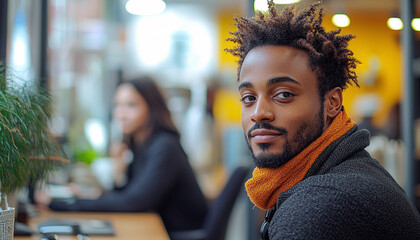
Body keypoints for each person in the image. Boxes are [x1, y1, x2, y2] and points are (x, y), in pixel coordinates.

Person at [226, 1, 420, 239]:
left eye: (284, 94)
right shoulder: (346, 170)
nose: (258, 112)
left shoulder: (318, 206)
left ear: (332, 102)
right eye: (248, 98)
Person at [36, 76, 208, 235]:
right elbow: (130, 194)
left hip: (178, 234)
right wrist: (118, 174)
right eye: (117, 105)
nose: (121, 113)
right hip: (156, 229)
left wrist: (62, 204)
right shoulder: (141, 145)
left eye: (131, 105)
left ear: (152, 107)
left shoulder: (165, 146)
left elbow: (133, 203)